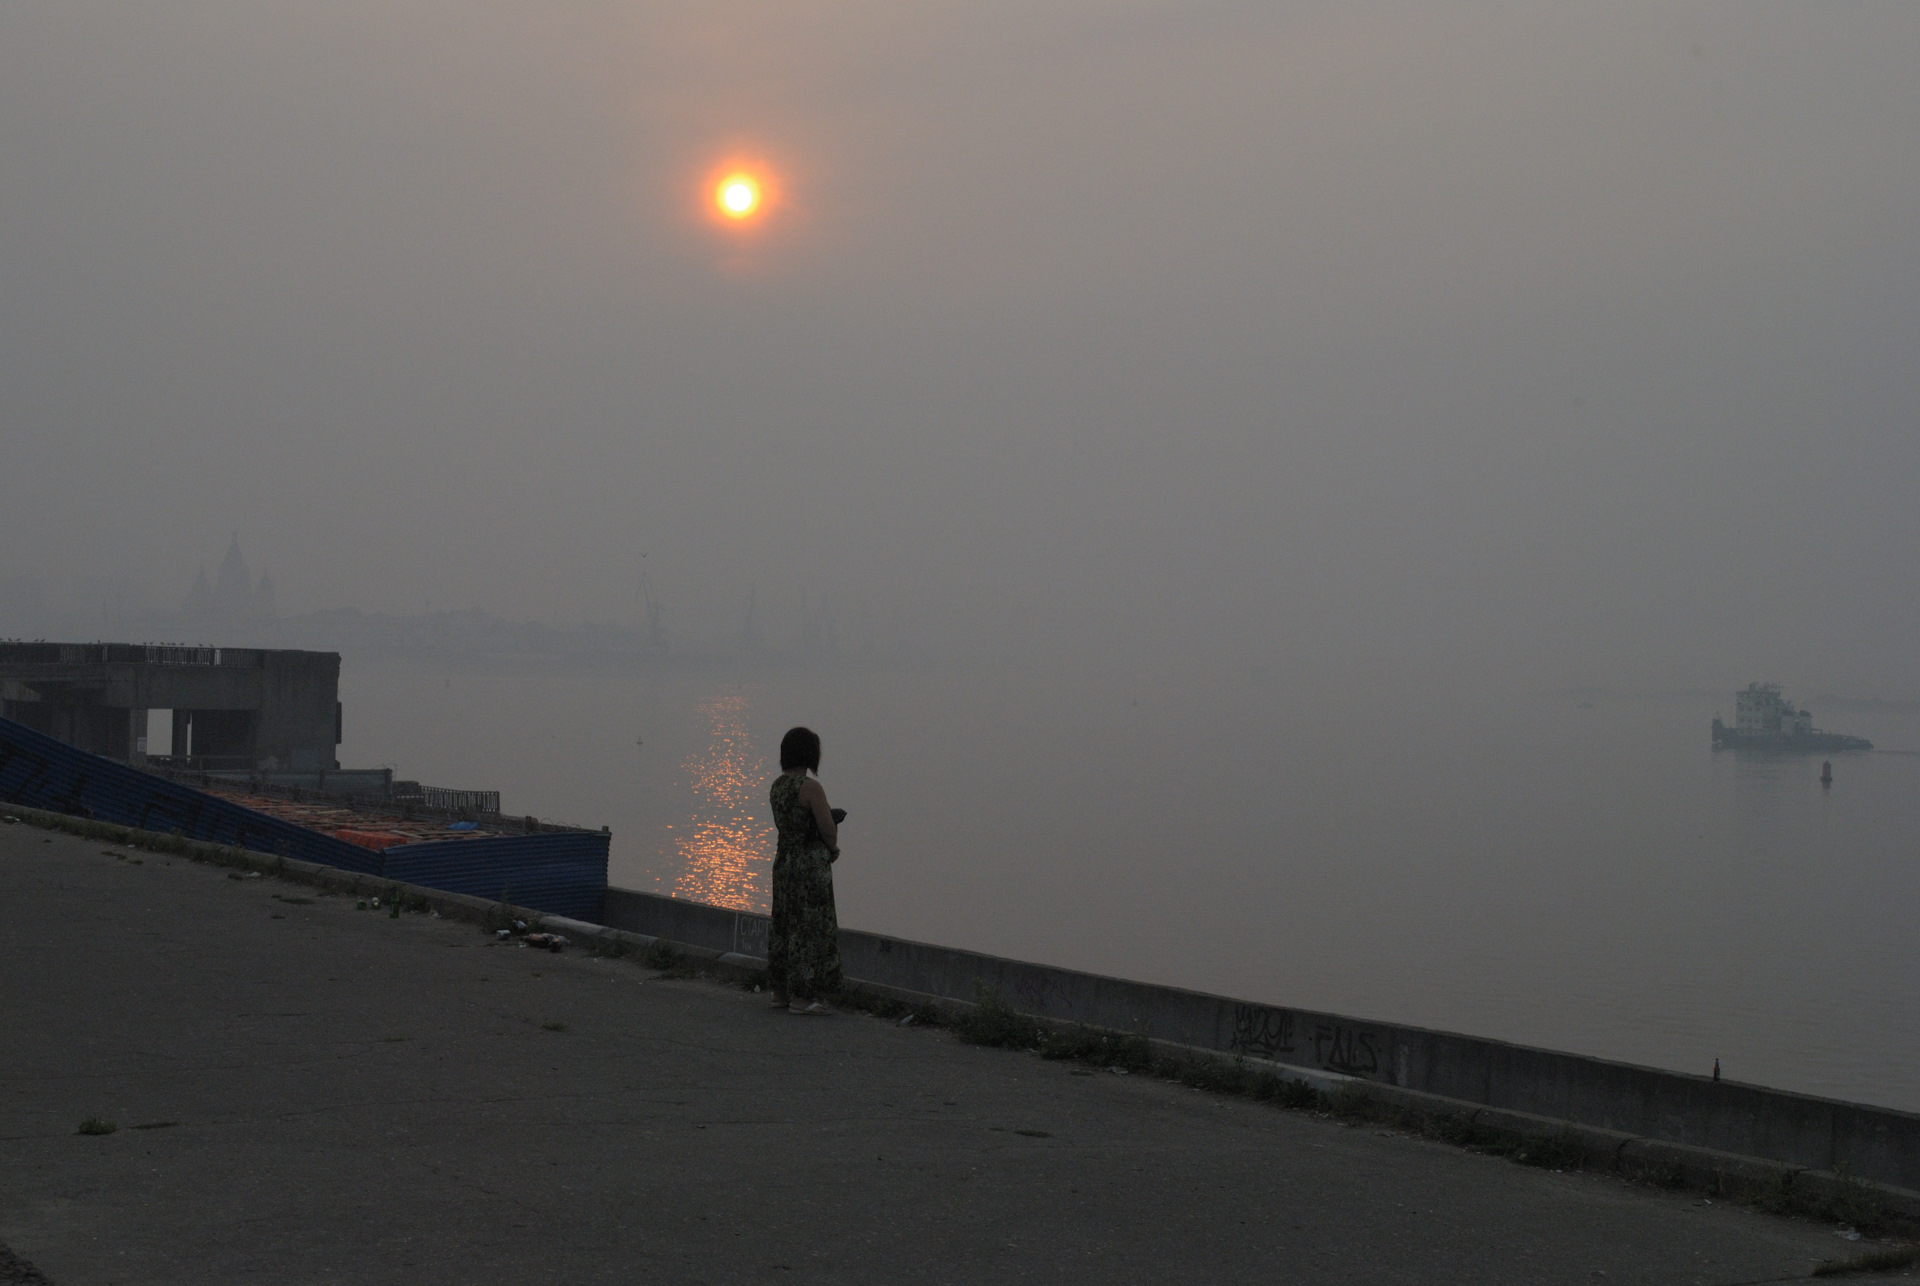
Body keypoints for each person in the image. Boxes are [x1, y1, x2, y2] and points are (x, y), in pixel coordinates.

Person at [766, 726, 842, 1015]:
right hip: (809, 866)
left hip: (784, 862)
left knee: (784, 924)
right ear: (810, 754)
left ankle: (780, 992)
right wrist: (832, 850)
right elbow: (827, 829)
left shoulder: (776, 786)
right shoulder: (810, 788)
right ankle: (802, 997)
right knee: (808, 929)